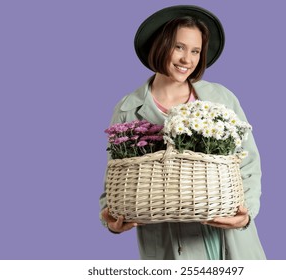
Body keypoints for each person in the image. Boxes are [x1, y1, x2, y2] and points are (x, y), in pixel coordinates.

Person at [99, 5, 266, 260]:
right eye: (179, 47)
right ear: (160, 45)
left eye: (195, 51)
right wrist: (110, 219)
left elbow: (248, 161)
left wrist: (246, 213)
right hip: (167, 245)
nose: (187, 59)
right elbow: (116, 175)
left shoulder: (221, 98)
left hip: (226, 237)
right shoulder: (128, 109)